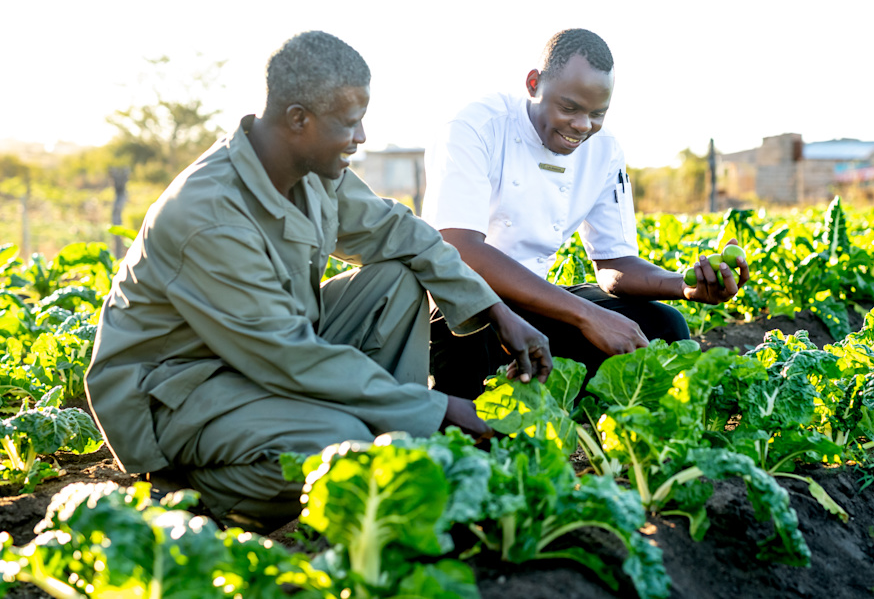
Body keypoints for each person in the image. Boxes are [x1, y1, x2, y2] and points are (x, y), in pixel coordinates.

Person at [84, 31, 551, 533]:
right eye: (350, 123)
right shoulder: (208, 215)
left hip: (264, 356)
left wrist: (496, 313)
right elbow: (289, 356)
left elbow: (398, 231)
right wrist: (438, 409)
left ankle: (394, 444)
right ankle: (192, 489)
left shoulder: (309, 169)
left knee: (396, 279)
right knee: (340, 444)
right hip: (179, 389)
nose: (363, 137)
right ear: (298, 120)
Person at [421, 28, 749, 400]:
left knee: (663, 326)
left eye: (597, 114)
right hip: (460, 305)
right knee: (469, 336)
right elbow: (460, 251)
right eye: (569, 108)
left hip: (535, 302)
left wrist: (684, 285)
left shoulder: (604, 150)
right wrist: (587, 315)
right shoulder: (476, 127)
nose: (582, 126)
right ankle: (470, 415)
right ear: (533, 84)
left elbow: (615, 263)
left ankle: (578, 414)